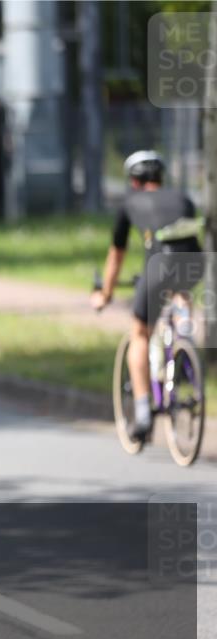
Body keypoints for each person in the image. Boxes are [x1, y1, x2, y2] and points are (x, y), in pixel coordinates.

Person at [91, 150, 203, 441]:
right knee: (179, 288)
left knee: (140, 333)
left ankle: (143, 414)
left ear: (134, 180)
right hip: (196, 262)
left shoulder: (129, 203)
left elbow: (116, 256)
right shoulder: (183, 199)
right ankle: (184, 333)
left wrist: (105, 293)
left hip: (158, 267)